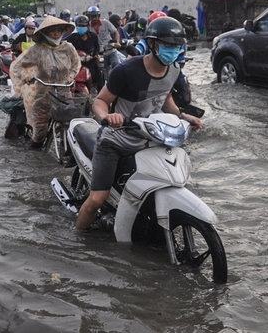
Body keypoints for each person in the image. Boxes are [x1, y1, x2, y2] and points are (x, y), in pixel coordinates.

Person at [75, 16, 203, 230]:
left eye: (177, 46)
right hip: (116, 140)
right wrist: (107, 117)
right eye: (168, 45)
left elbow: (165, 98)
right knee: (97, 199)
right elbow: (99, 101)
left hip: (150, 140)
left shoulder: (174, 70)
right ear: (152, 44)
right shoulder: (126, 71)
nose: (173, 51)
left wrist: (184, 116)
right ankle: (77, 240)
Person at [10, 15, 81, 148]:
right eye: (52, 31)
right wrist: (26, 75)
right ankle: (36, 157)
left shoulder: (68, 47)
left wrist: (71, 76)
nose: (56, 34)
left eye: (59, 30)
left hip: (63, 92)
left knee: (70, 125)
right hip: (43, 94)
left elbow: (76, 64)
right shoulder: (36, 49)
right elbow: (17, 66)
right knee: (40, 132)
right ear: (45, 33)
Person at [65, 15, 102, 91]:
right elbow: (65, 47)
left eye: (83, 26)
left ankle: (99, 93)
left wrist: (96, 55)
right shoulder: (72, 38)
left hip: (90, 62)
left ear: (87, 26)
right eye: (79, 26)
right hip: (75, 63)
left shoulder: (93, 36)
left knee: (99, 76)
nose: (81, 27)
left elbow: (97, 48)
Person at [87, 5, 121, 79]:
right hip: (99, 53)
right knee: (102, 70)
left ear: (99, 16)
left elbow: (115, 32)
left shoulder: (106, 23)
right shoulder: (88, 27)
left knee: (117, 64)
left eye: (95, 16)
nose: (94, 18)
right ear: (89, 17)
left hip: (110, 49)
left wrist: (117, 42)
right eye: (92, 16)